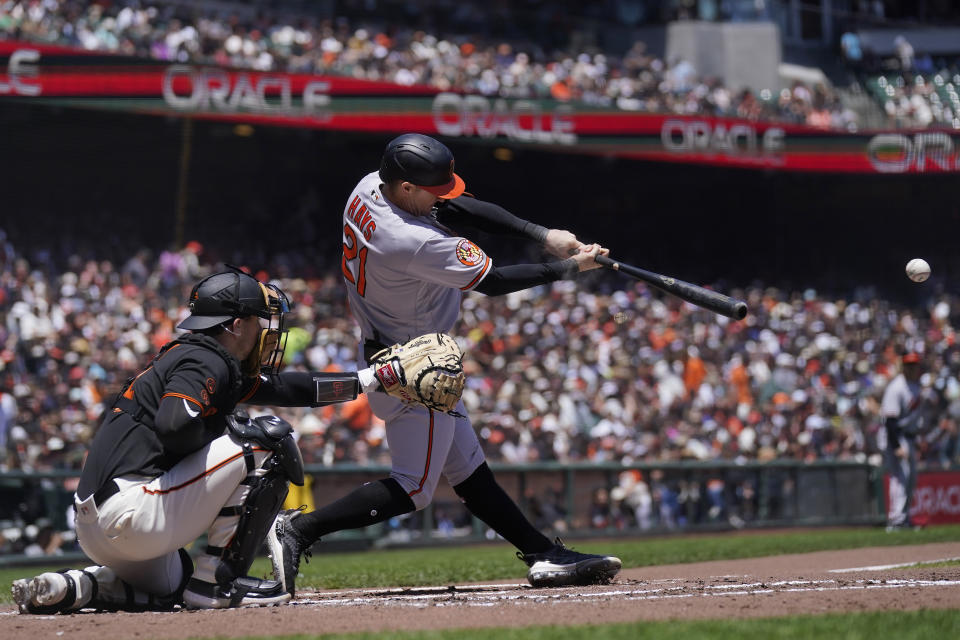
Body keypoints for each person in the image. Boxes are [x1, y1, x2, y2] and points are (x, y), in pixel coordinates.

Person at [273, 133, 622, 594]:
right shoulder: (411, 239)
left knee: (468, 470)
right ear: (406, 188)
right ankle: (298, 530)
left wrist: (545, 236)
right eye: (433, 191)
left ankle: (543, 554)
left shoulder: (368, 187)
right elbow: (494, 282)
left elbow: (459, 208)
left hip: (387, 345)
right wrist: (574, 267)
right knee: (415, 488)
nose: (443, 197)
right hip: (416, 363)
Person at [11, 268, 424, 613]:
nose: (267, 330)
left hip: (102, 524)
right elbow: (176, 425)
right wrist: (227, 430)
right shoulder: (205, 358)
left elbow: (289, 390)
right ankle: (217, 583)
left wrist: (374, 379)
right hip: (131, 512)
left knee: (172, 585)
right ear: (237, 324)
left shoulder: (196, 355)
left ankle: (78, 585)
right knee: (264, 438)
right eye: (260, 320)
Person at [880, 351, 933, 530]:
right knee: (900, 478)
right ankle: (896, 520)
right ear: (903, 367)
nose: (912, 368)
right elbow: (890, 421)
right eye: (909, 365)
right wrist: (896, 446)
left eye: (915, 365)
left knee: (910, 479)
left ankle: (904, 519)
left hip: (908, 437)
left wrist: (916, 439)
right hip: (896, 436)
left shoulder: (915, 386)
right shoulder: (897, 387)